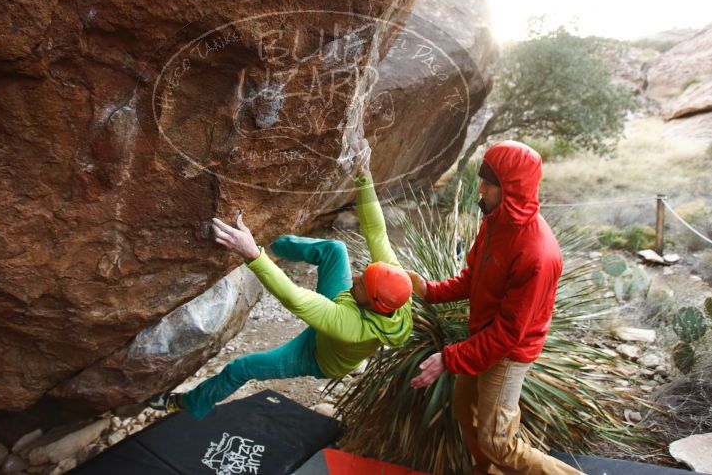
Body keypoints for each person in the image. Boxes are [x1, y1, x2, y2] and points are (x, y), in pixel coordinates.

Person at [148, 139, 414, 420]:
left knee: (242, 367)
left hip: (316, 355)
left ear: (372, 302)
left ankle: (187, 404)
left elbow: (295, 298)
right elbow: (376, 231)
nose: (355, 276)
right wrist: (364, 174)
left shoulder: (350, 327)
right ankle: (269, 240)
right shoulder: (394, 287)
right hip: (341, 311)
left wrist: (252, 256)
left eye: (360, 283)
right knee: (335, 250)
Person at [406, 141, 583, 475]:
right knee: (464, 410)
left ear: (512, 189)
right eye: (482, 177)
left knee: (498, 442)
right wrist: (428, 290)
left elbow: (507, 335)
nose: (481, 187)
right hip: (483, 338)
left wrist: (449, 357)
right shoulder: (496, 221)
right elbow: (474, 279)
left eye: (490, 181)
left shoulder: (538, 254)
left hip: (508, 352)